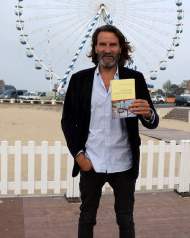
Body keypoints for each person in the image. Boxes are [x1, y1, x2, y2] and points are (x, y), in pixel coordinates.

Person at [61, 25, 159, 238]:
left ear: (121, 49)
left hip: (123, 162)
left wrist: (148, 114)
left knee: (125, 219)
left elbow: (151, 119)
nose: (107, 49)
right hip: (91, 161)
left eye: (113, 45)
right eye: (102, 44)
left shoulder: (135, 79)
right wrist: (79, 155)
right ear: (95, 48)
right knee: (87, 217)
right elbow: (67, 120)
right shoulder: (80, 80)